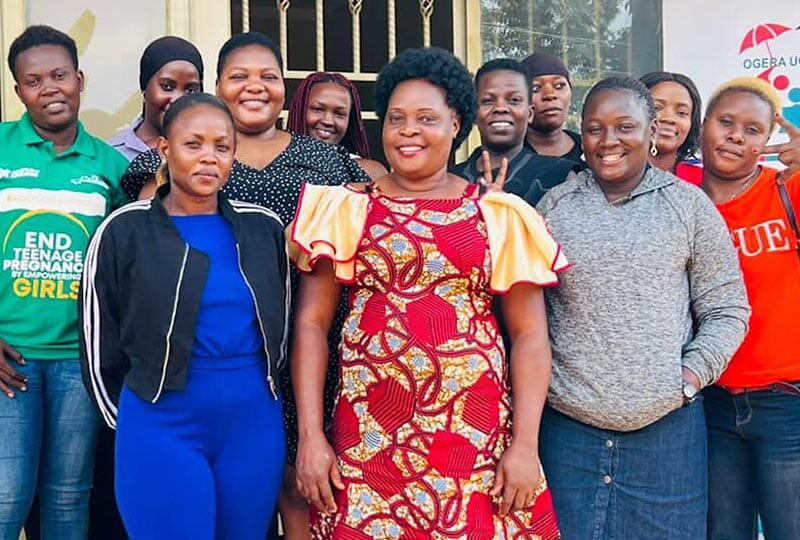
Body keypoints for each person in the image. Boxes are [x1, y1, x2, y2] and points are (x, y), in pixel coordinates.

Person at [290, 46, 564, 540]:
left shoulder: (499, 215)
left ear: (457, 123)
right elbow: (311, 324)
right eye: (396, 118)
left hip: (473, 440)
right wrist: (311, 436)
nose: (408, 131)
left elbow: (529, 337)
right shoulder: (345, 210)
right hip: (368, 438)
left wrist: (525, 445)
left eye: (426, 118)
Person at [121, 32, 371, 538]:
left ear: (285, 88)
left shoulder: (325, 159)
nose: (255, 87)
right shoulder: (176, 157)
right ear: (216, 86)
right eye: (239, 76)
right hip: (206, 363)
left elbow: (376, 198)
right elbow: (147, 255)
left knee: (299, 493)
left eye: (269, 77)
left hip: (302, 347)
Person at [536, 76, 750, 539]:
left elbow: (727, 308)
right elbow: (530, 314)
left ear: (652, 132)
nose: (609, 141)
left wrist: (689, 378)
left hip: (667, 433)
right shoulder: (555, 207)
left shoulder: (689, 207)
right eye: (595, 129)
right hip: (568, 432)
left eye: (624, 126)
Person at [80, 92, 288, 539]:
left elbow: (282, 326)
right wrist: (137, 420)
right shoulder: (124, 230)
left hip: (252, 422)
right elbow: (99, 344)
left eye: (221, 146)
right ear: (165, 149)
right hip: (160, 420)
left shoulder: (264, 228)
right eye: (193, 144)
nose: (208, 157)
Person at [0, 25, 128, 540]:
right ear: (18, 91)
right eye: (34, 81)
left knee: (68, 496)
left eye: (59, 76)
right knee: (7, 498)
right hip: (11, 361)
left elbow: (128, 263)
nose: (49, 88)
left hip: (80, 362)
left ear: (80, 79)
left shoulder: (111, 166)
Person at [697, 77, 800, 540]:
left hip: (787, 402)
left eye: (752, 130)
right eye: (726, 122)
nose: (736, 135)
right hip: (711, 404)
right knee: (724, 534)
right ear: (703, 127)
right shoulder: (683, 200)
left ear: (765, 143)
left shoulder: (788, 189)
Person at [452, 57, 580, 206]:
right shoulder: (452, 178)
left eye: (514, 100)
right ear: (473, 113)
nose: (500, 108)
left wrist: (512, 211)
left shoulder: (560, 175)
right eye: (488, 101)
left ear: (530, 113)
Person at [108, 35, 204, 161]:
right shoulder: (111, 156)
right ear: (144, 88)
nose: (178, 99)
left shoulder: (211, 154)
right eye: (167, 87)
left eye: (190, 90)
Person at [287, 71, 387, 179]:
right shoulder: (277, 162)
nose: (328, 121)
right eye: (318, 109)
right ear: (300, 110)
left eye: (340, 114)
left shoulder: (369, 171)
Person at [521, 51, 582, 164]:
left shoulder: (588, 149)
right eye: (536, 88)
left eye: (559, 86)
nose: (550, 95)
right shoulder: (510, 156)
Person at [639, 71, 702, 180]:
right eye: (656, 108)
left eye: (682, 113)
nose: (669, 118)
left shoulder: (702, 181)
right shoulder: (610, 175)